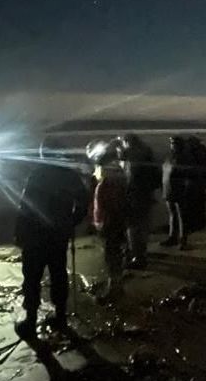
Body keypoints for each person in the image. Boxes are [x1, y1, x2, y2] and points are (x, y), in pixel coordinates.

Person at [14, 138, 89, 339]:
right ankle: (60, 317)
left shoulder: (37, 174)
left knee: (32, 277)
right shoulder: (69, 175)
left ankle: (30, 320)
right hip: (58, 234)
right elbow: (83, 201)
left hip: (35, 234)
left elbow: (25, 206)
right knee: (58, 274)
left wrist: (19, 232)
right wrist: (72, 221)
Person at [91, 145, 127, 303]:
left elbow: (110, 205)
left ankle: (115, 288)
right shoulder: (113, 180)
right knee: (113, 255)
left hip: (111, 223)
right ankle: (116, 286)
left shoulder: (110, 183)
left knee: (112, 256)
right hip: (111, 222)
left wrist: (103, 221)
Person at [118, 133, 160, 269]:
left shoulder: (131, 156)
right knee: (143, 226)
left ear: (127, 142)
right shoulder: (147, 153)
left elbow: (129, 177)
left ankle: (137, 257)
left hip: (134, 196)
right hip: (146, 195)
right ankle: (141, 254)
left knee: (133, 227)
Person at [161, 136, 192, 250]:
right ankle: (172, 237)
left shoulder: (184, 158)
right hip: (169, 189)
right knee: (173, 215)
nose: (172, 145)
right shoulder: (169, 156)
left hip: (179, 190)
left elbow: (187, 174)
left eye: (174, 144)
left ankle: (183, 241)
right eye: (172, 143)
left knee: (182, 216)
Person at [186, 136, 206, 232]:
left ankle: (195, 223)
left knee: (194, 203)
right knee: (199, 203)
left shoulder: (192, 153)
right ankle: (200, 222)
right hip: (200, 181)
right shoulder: (203, 151)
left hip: (196, 182)